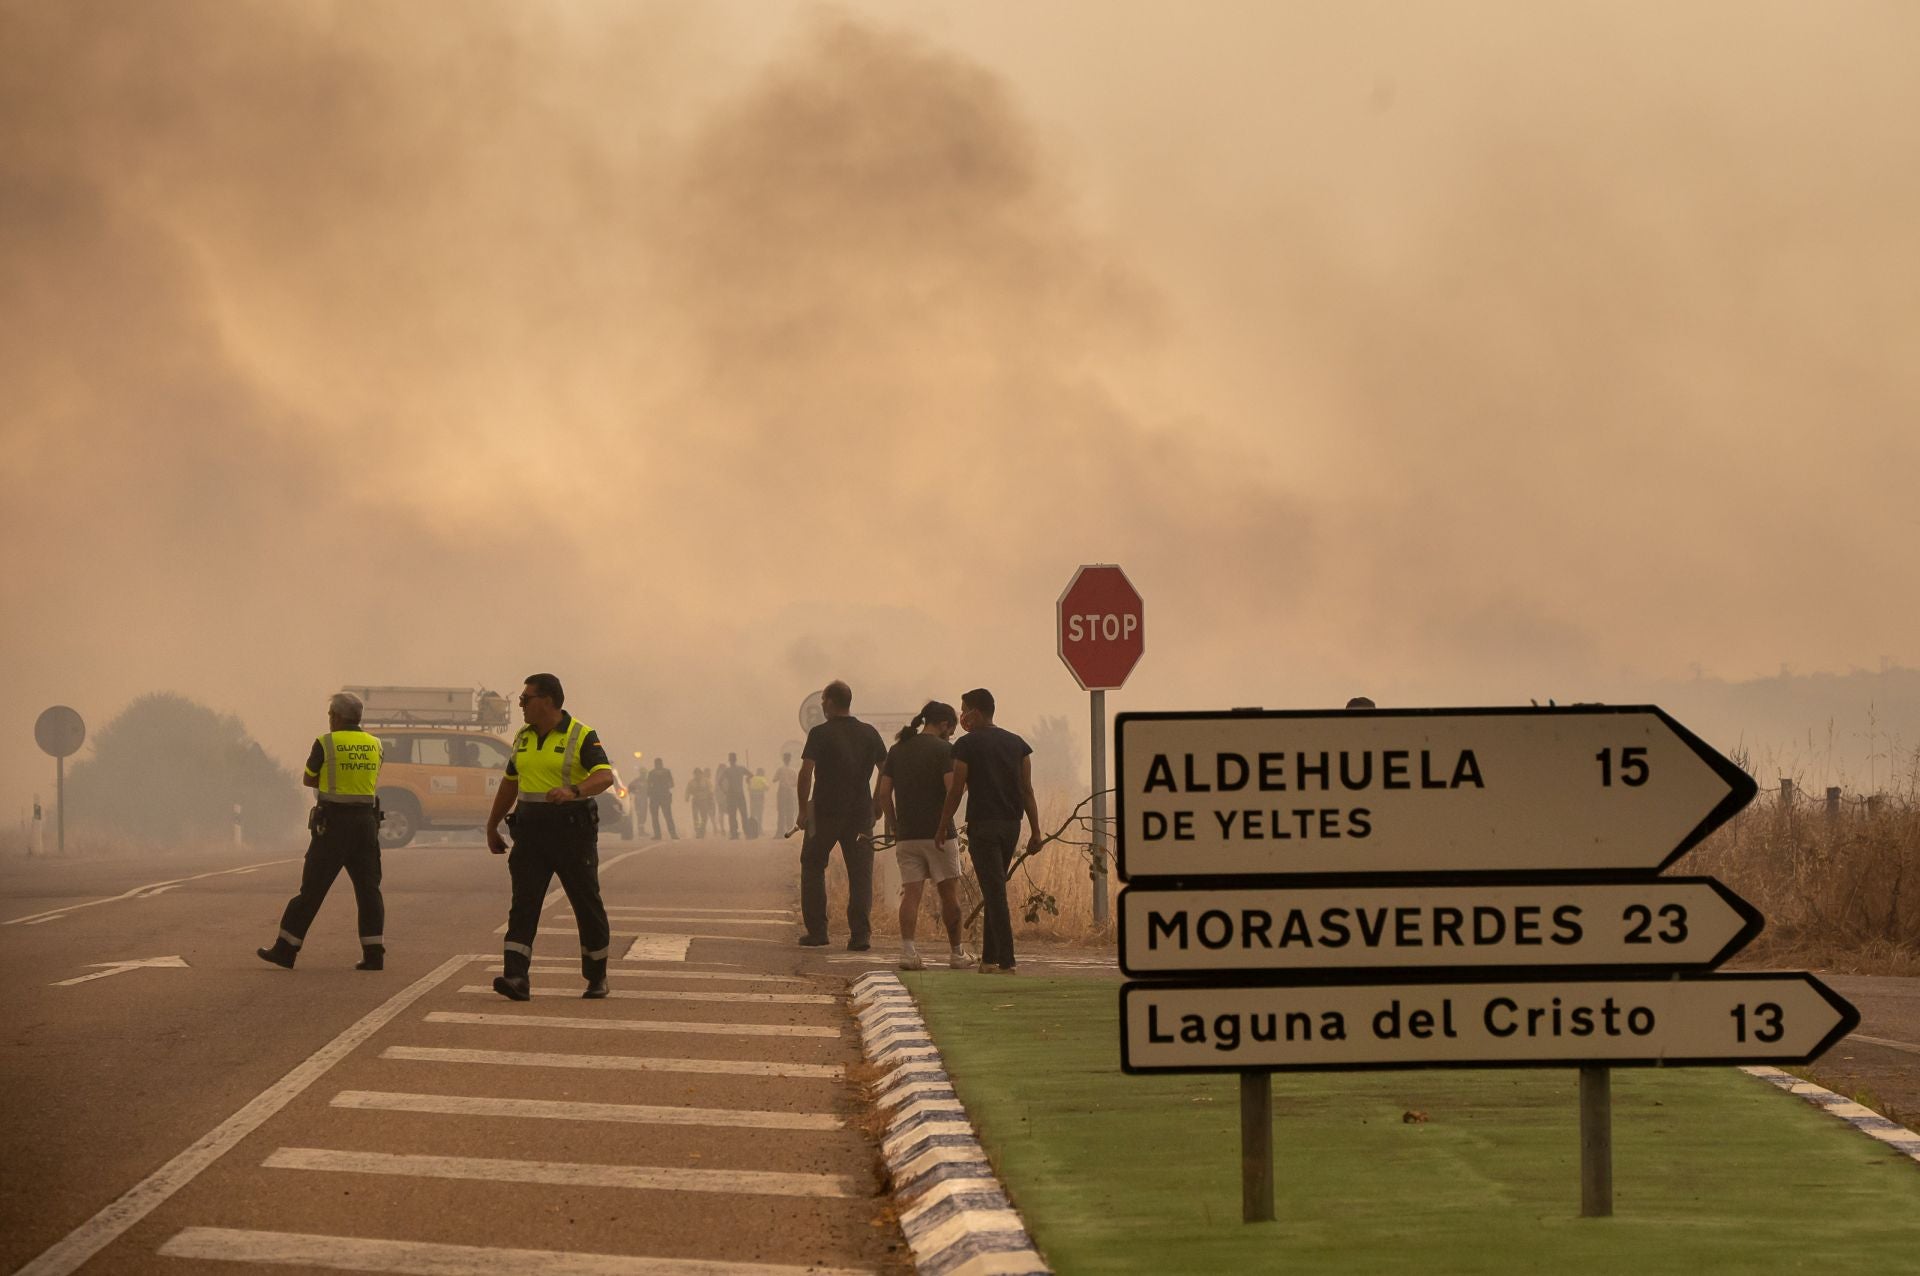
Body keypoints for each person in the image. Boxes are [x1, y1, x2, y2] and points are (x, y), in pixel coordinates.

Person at [484, 673, 618, 1001]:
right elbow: (510, 781)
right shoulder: (523, 737)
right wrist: (492, 824)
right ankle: (516, 977)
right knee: (524, 905)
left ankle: (596, 975)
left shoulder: (581, 735)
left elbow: (604, 776)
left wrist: (574, 790)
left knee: (586, 904)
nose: (520, 705)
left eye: (525, 699)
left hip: (572, 833)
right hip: (530, 834)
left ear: (547, 700)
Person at [258, 692, 386, 971]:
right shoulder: (375, 744)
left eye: (331, 714)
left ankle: (286, 949)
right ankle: (374, 954)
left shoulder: (326, 743)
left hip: (334, 826)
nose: (329, 719)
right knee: (368, 890)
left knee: (312, 890)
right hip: (366, 825)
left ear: (337, 717)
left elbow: (308, 778)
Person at [936, 688, 1041, 975]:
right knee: (995, 889)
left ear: (977, 713)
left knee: (995, 893)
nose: (963, 716)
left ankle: (1007, 961)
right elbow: (1027, 791)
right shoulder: (1018, 745)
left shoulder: (966, 746)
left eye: (964, 709)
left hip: (983, 827)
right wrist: (1036, 831)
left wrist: (944, 824)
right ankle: (989, 959)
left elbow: (956, 789)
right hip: (1011, 826)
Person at [876, 701, 973, 971]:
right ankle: (956, 953)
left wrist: (895, 825)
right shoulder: (945, 750)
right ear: (944, 725)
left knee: (911, 894)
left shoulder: (897, 750)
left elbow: (884, 794)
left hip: (907, 836)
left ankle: (908, 952)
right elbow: (952, 790)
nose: (950, 735)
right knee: (949, 895)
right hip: (939, 835)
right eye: (951, 730)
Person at [796, 679, 886, 950]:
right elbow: (886, 768)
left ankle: (818, 932)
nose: (822, 705)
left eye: (823, 700)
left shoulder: (820, 734)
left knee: (812, 865)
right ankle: (860, 936)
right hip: (860, 815)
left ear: (831, 702)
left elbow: (806, 773)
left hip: (824, 814)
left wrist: (802, 810)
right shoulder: (869, 733)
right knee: (860, 874)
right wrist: (877, 801)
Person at [718, 752, 749, 839]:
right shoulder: (741, 768)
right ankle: (747, 832)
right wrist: (748, 779)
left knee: (732, 815)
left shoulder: (727, 770)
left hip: (731, 795)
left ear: (730, 761)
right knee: (744, 814)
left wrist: (725, 791)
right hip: (740, 794)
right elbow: (751, 775)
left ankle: (734, 834)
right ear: (735, 760)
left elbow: (719, 782)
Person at [646, 757, 679, 839]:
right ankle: (672, 834)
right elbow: (672, 784)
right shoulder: (665, 772)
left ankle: (660, 835)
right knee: (666, 816)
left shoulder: (652, 773)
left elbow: (648, 785)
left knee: (659, 817)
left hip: (658, 797)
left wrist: (650, 792)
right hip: (661, 796)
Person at [774, 753, 799, 834]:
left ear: (783, 759)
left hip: (782, 791)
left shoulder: (780, 769)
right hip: (790, 791)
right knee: (790, 811)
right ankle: (790, 830)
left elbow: (774, 779)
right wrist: (790, 784)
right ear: (790, 759)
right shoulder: (793, 770)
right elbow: (796, 783)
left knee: (781, 811)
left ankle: (780, 831)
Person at [688, 767, 714, 837]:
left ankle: (702, 830)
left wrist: (711, 798)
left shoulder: (706, 781)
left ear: (701, 774)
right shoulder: (691, 782)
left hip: (704, 800)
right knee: (695, 816)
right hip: (695, 801)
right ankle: (697, 830)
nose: (697, 775)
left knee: (704, 817)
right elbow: (688, 790)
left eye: (699, 773)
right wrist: (687, 797)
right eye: (696, 774)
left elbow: (710, 789)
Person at [748, 767, 770, 837]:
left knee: (753, 814)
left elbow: (748, 788)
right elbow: (767, 787)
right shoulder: (762, 779)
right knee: (759, 814)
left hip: (752, 798)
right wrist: (762, 788)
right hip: (760, 797)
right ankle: (759, 829)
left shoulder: (752, 778)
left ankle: (752, 830)